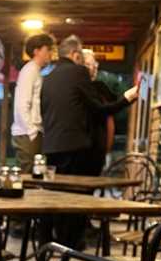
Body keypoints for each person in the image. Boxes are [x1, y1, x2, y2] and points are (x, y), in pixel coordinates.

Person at [41, 35, 139, 177]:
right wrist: (126, 99)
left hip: (51, 147)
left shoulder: (48, 78)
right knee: (78, 195)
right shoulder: (78, 72)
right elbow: (98, 109)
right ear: (75, 55)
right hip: (74, 148)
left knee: (56, 193)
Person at [11, 33, 55, 172]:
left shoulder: (35, 71)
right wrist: (32, 131)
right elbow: (22, 104)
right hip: (27, 133)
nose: (50, 53)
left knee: (34, 174)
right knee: (27, 175)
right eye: (47, 49)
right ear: (37, 51)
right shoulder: (29, 70)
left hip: (31, 132)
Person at [81, 48, 117, 158]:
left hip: (97, 145)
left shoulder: (101, 89)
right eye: (88, 64)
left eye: (95, 63)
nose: (94, 67)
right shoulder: (77, 89)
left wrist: (107, 147)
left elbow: (109, 120)